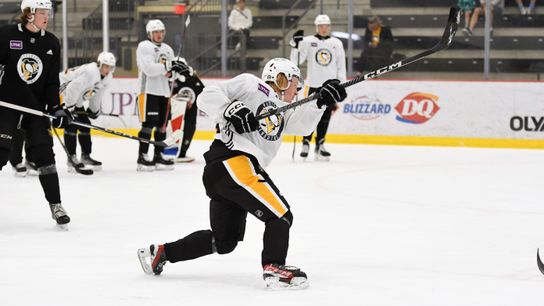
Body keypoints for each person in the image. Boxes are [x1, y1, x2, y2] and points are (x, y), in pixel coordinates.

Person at [137, 58, 347, 289]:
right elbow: (207, 96)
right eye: (295, 82)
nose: (297, 89)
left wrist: (320, 102)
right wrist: (231, 108)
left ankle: (161, 253)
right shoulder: (251, 85)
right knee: (280, 215)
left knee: (224, 241)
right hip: (232, 161)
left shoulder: (282, 110)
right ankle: (274, 267)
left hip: (225, 173)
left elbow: (303, 126)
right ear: (282, 78)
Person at [0, 0, 72, 227]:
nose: (47, 17)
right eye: (42, 12)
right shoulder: (6, 35)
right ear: (29, 14)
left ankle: (56, 206)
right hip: (7, 105)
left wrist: (56, 108)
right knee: (0, 154)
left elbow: (52, 81)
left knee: (45, 158)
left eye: (48, 13)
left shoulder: (51, 42)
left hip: (35, 110)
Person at [290, 14, 346, 161]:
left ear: (329, 27)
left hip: (330, 87)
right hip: (312, 86)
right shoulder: (308, 41)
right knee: (308, 115)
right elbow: (296, 60)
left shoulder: (336, 43)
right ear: (316, 27)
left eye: (326, 26)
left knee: (325, 116)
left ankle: (320, 144)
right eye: (320, 26)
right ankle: (305, 142)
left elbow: (341, 65)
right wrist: (294, 45)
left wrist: (341, 83)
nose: (323, 29)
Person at [135, 19, 189, 171]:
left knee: (162, 126)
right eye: (155, 32)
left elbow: (170, 76)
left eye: (161, 32)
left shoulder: (168, 49)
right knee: (148, 126)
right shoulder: (144, 46)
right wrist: (168, 66)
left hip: (164, 92)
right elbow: (149, 69)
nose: (159, 35)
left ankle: (158, 155)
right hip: (148, 92)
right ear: (149, 34)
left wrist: (177, 71)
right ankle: (142, 157)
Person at [59, 51, 116, 172]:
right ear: (99, 64)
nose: (108, 69)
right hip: (62, 89)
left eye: (110, 67)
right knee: (71, 124)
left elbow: (97, 94)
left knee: (85, 124)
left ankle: (85, 156)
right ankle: (71, 159)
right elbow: (72, 88)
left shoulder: (107, 77)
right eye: (106, 66)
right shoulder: (91, 72)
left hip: (76, 96)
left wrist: (93, 110)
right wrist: (69, 109)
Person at [170, 57, 203, 163]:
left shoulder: (194, 79)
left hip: (191, 114)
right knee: (172, 128)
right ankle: (168, 152)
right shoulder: (170, 80)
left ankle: (182, 153)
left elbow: (202, 93)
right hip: (174, 113)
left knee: (189, 129)